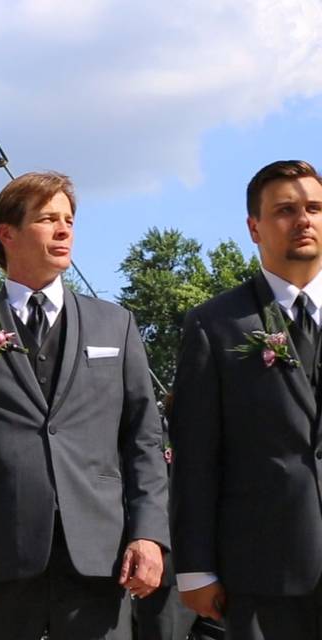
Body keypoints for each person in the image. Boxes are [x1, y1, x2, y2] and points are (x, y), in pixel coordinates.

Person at [0, 171, 169, 640]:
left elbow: (144, 439)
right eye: (48, 218)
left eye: (69, 219)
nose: (63, 229)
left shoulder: (116, 326)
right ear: (7, 234)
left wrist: (150, 533)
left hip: (101, 556)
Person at [170, 160, 322, 639]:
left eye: (315, 207)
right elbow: (195, 455)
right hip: (261, 570)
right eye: (285, 210)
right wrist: (195, 568)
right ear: (254, 227)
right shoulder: (215, 324)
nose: (304, 219)